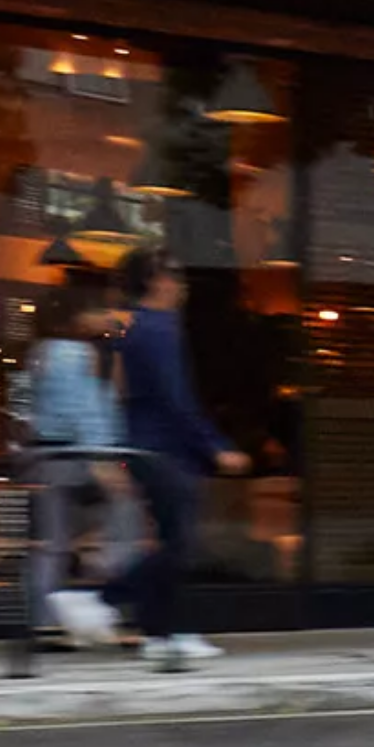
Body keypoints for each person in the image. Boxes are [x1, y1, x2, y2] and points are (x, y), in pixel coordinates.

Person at [61, 247, 249, 666]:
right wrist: (215, 446)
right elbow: (175, 399)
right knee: (180, 545)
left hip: (147, 447)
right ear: (156, 280)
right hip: (165, 451)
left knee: (172, 542)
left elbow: (139, 398)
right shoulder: (160, 328)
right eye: (175, 275)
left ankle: (161, 635)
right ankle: (98, 600)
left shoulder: (140, 328)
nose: (181, 284)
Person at [29, 280, 132, 646]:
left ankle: (46, 621)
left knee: (52, 542)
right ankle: (101, 610)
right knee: (121, 526)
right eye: (98, 312)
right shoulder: (73, 354)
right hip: (75, 456)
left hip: (49, 456)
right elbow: (85, 411)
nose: (106, 318)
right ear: (77, 317)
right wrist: (104, 459)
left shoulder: (44, 351)